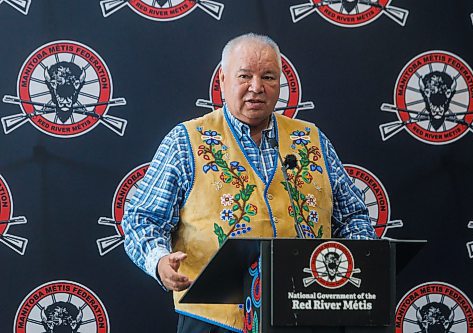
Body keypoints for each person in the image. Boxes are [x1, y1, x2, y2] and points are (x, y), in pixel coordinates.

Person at [122, 33, 377, 333]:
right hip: (215, 322)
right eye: (245, 76)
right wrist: (159, 261)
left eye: (268, 77)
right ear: (223, 80)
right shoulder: (185, 142)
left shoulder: (311, 140)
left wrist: (362, 262)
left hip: (308, 314)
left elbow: (353, 217)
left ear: (280, 83)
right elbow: (142, 219)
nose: (256, 87)